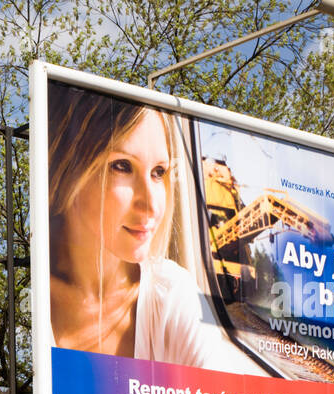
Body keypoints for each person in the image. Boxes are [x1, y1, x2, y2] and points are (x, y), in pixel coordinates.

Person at [48, 85, 227, 369]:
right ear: (69, 169)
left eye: (159, 173)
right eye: (122, 166)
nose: (151, 205)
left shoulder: (171, 295)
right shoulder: (31, 300)